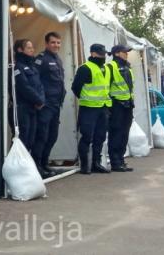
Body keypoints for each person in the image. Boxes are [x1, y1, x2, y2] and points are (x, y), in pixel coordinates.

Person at [72, 43, 112, 175]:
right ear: (93, 53)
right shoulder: (85, 68)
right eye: (101, 54)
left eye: (104, 54)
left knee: (99, 137)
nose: (103, 56)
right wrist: (86, 97)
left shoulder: (105, 69)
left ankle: (96, 163)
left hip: (103, 108)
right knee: (87, 137)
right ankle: (85, 165)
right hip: (88, 108)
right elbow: (76, 87)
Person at [32, 32, 66, 178]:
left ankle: (45, 164)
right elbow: (35, 81)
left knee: (52, 136)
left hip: (56, 104)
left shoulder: (57, 59)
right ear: (46, 44)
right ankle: (37, 166)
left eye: (58, 42)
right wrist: (39, 100)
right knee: (42, 136)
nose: (56, 45)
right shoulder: (41, 59)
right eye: (53, 42)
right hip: (45, 105)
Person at [12, 39, 45, 161]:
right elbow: (24, 87)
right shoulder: (17, 67)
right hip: (23, 108)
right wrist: (38, 101)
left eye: (32, 47)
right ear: (20, 50)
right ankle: (18, 166)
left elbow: (39, 86)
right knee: (23, 140)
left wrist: (41, 100)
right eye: (29, 48)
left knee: (31, 140)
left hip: (34, 107)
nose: (32, 50)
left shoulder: (32, 67)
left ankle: (27, 168)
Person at [107, 45, 135, 172]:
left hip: (128, 105)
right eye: (125, 52)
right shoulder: (111, 66)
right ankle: (115, 162)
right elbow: (106, 87)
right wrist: (109, 106)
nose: (127, 54)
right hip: (116, 105)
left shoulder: (127, 66)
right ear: (117, 53)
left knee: (124, 134)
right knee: (116, 133)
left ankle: (121, 160)